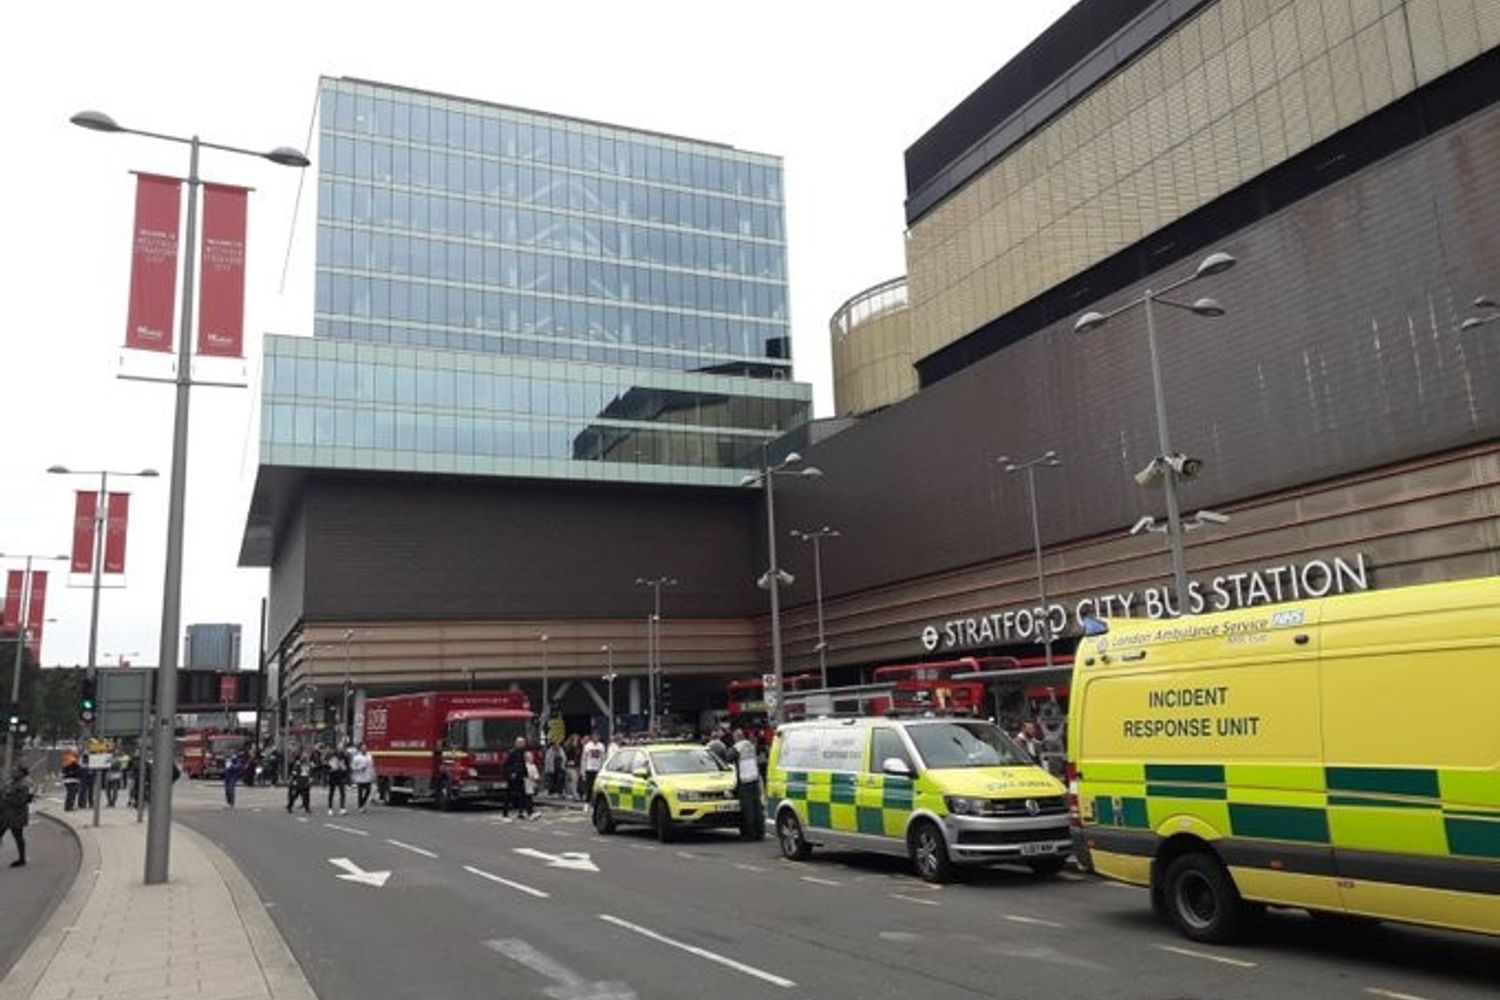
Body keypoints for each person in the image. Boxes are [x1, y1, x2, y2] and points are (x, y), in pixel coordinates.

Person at [731, 728, 764, 841]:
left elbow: (728, 758)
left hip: (745, 781)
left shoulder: (737, 747)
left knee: (748, 810)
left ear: (736, 738)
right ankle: (760, 832)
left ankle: (751, 834)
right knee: (757, 808)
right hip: (754, 779)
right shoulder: (750, 745)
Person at [1, 766, 34, 868]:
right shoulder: (10, 783)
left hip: (16, 815)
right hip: (5, 814)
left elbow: (21, 801)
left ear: (22, 773)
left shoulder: (24, 785)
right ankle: (22, 859)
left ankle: (22, 859)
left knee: (18, 836)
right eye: (13, 771)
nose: (13, 773)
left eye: (15, 771)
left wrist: (6, 798)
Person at [501, 736, 531, 819]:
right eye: (521, 743)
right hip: (513, 777)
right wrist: (511, 773)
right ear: (517, 743)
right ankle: (505, 813)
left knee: (522, 795)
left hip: (520, 776)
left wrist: (526, 774)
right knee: (509, 794)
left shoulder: (522, 752)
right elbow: (506, 764)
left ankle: (522, 812)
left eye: (523, 743)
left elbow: (522, 764)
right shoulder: (512, 752)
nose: (523, 744)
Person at [581, 732, 606, 806]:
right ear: (592, 737)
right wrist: (583, 770)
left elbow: (603, 758)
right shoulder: (588, 746)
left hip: (597, 769)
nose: (596, 738)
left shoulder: (601, 746)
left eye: (597, 737)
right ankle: (587, 802)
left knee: (596, 787)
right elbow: (584, 758)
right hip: (589, 768)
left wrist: (602, 768)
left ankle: (594, 802)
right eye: (594, 737)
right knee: (589, 786)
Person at [350, 744, 376, 812]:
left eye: (365, 748)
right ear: (360, 749)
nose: (364, 749)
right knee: (360, 792)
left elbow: (372, 766)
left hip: (368, 777)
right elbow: (352, 766)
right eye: (363, 748)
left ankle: (363, 802)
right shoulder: (357, 757)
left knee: (368, 791)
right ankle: (360, 806)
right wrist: (359, 769)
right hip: (360, 778)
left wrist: (373, 774)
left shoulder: (369, 756)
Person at [325, 746, 350, 815]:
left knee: (342, 792)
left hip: (340, 776)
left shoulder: (344, 757)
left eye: (342, 749)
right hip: (332, 776)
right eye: (339, 749)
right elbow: (325, 766)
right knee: (331, 792)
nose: (340, 750)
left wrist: (345, 772)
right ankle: (330, 808)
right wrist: (329, 771)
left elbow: (347, 766)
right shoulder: (330, 757)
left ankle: (342, 808)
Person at [564, 735, 582, 800]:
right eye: (575, 739)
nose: (576, 741)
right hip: (570, 766)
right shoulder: (569, 748)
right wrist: (568, 762)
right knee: (573, 779)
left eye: (577, 740)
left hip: (576, 766)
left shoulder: (579, 748)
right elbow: (566, 756)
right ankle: (573, 794)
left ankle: (571, 793)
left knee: (573, 780)